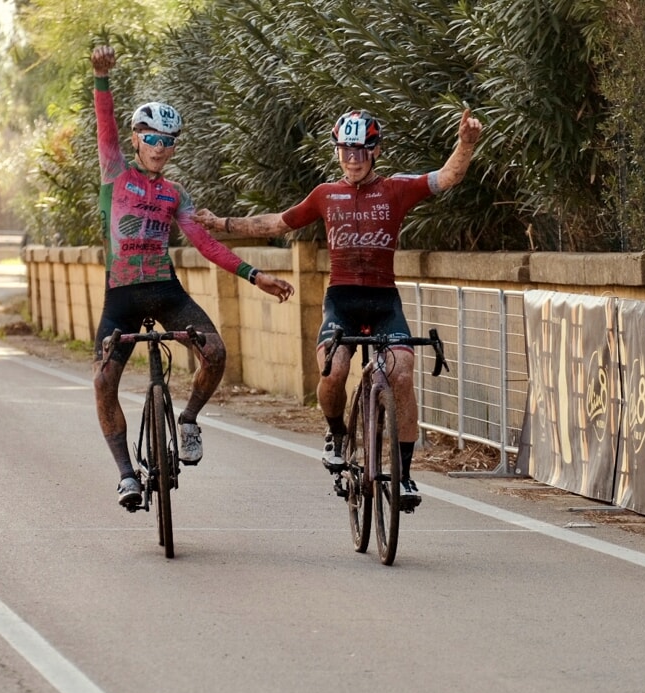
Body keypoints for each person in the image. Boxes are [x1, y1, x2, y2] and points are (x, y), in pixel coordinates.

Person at [195, 107, 483, 511]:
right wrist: (223, 223)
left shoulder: (397, 190)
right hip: (342, 301)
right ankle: (335, 433)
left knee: (402, 373)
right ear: (337, 152)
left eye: (361, 150)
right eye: (346, 150)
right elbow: (278, 223)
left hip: (384, 301)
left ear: (375, 150)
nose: (353, 159)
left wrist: (465, 143)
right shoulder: (325, 195)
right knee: (334, 370)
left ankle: (403, 475)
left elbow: (447, 177)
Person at [88, 44, 294, 510]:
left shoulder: (176, 193)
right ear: (136, 139)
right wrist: (102, 77)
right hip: (120, 296)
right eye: (152, 139)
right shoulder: (115, 175)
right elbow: (104, 129)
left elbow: (204, 242)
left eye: (169, 141)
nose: (161, 148)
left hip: (165, 292)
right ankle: (126, 475)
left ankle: (188, 420)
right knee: (103, 382)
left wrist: (254, 274)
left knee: (215, 352)